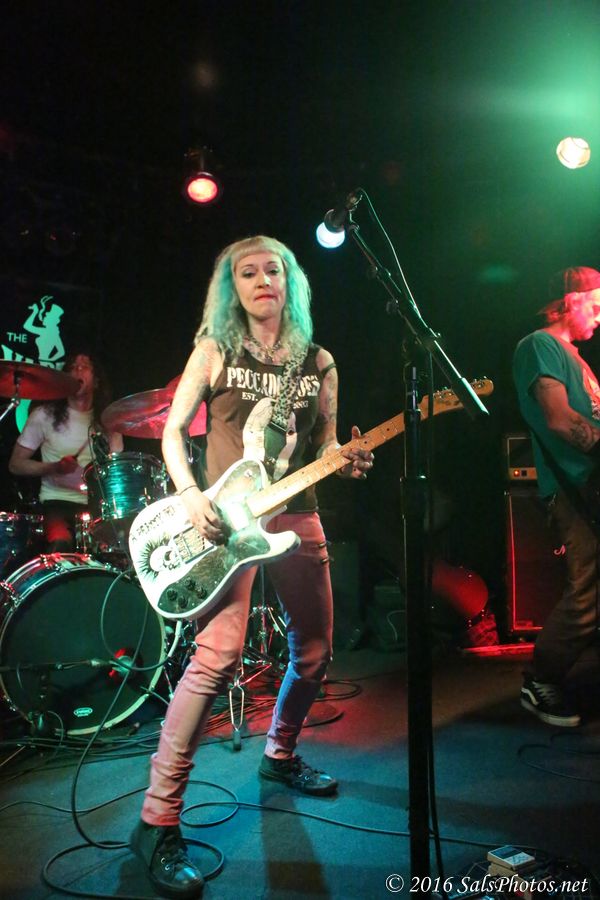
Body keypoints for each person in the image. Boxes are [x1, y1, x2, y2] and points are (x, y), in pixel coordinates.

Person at [130, 235, 374, 898]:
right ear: (232, 287)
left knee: (316, 651)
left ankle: (280, 753)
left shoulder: (319, 362)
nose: (263, 279)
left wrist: (348, 459)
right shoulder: (215, 348)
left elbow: (326, 445)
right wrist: (190, 497)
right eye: (248, 272)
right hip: (225, 519)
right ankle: (157, 819)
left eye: (273, 269)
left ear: (290, 281)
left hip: (298, 512)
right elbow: (172, 431)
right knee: (217, 655)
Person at [513, 265, 600, 729]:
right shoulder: (539, 346)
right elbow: (559, 419)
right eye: (596, 305)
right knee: (587, 595)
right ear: (570, 301)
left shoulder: (576, 358)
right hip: (574, 489)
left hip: (589, 486)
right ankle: (540, 680)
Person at [8, 349, 123, 552]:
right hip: (56, 502)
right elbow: (16, 465)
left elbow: (116, 471)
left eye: (84, 367)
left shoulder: (107, 422)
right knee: (61, 545)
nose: (78, 370)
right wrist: (53, 467)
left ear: (96, 381)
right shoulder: (44, 416)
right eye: (73, 368)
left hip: (97, 506)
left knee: (116, 548)